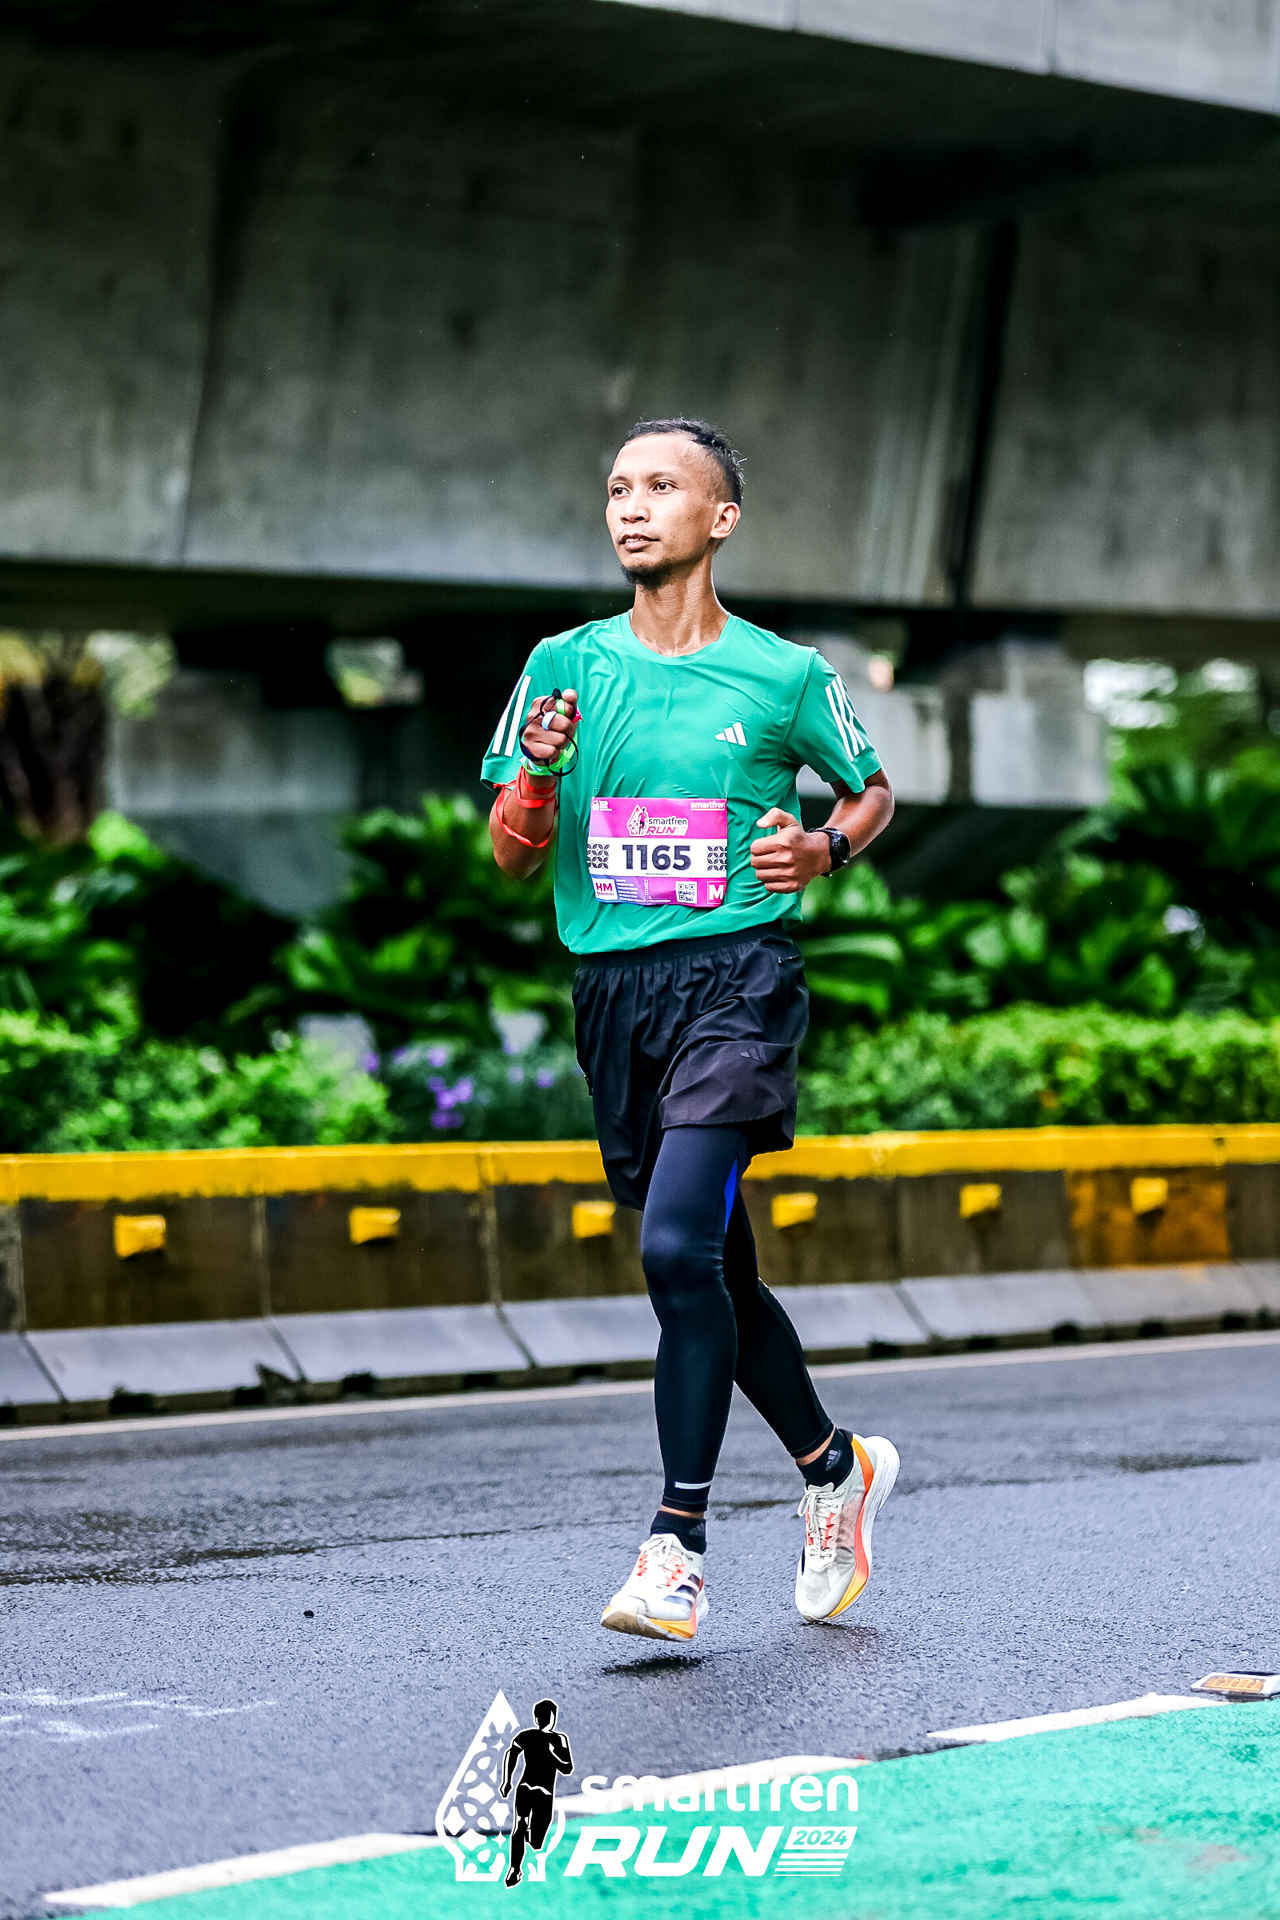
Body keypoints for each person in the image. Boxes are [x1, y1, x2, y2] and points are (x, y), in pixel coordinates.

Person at [483, 416, 899, 1643]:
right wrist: (538, 776)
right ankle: (834, 1469)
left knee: (673, 1249)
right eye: (617, 487)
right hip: (616, 994)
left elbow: (870, 789)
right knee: (714, 1269)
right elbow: (512, 857)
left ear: (718, 519)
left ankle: (676, 1546)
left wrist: (821, 848)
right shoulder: (561, 666)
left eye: (660, 486)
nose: (630, 505)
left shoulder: (781, 674)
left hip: (736, 983)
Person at [499, 1698, 572, 1886]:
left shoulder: (559, 1739)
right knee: (520, 1824)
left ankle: (525, 1838)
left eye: (549, 1716)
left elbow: (567, 1768)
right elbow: (511, 1754)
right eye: (545, 1716)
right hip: (529, 1788)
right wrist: (507, 1780)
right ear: (537, 1718)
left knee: (536, 1841)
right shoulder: (528, 1736)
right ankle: (514, 1868)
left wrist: (550, 1754)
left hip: (540, 1792)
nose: (547, 1719)